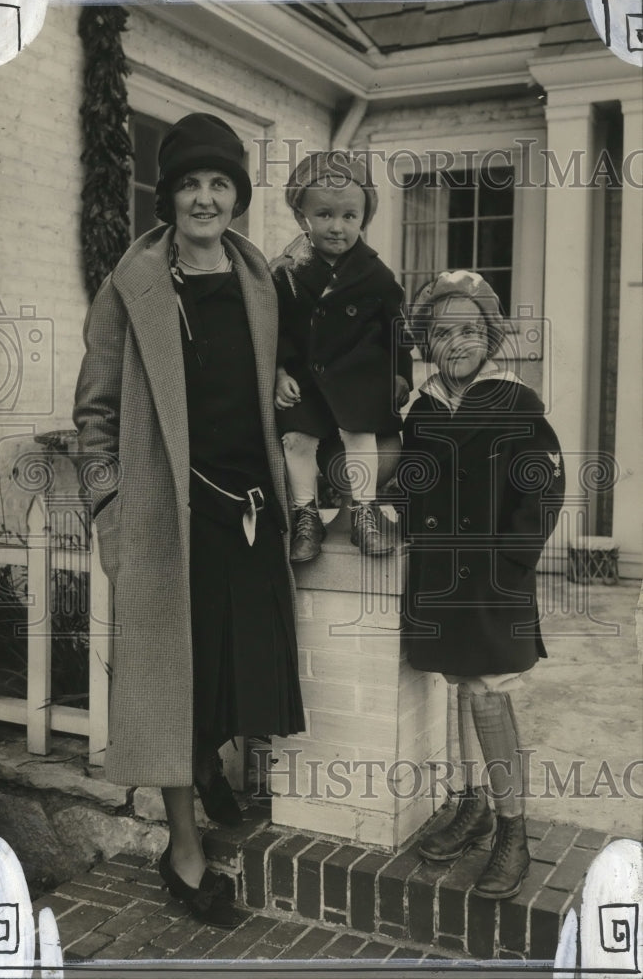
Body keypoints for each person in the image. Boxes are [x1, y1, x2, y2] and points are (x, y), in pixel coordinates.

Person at [73, 113, 305, 928]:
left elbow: (294, 378)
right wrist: (108, 508)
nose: (204, 197)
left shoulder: (258, 281)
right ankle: (182, 849)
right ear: (167, 196)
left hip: (247, 512)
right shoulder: (128, 287)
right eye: (188, 184)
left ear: (236, 196)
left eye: (219, 184)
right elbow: (94, 413)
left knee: (236, 672)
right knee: (172, 688)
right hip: (167, 520)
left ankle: (210, 759)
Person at [400, 270, 565, 900]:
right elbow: (414, 483)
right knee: (458, 685)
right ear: (427, 343)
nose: (458, 341)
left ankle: (511, 830)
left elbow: (544, 487)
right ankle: (468, 807)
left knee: (490, 693)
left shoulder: (516, 402)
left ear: (491, 334)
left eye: (470, 329)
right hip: (441, 581)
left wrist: (514, 562)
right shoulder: (421, 410)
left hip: (495, 579)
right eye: (442, 332)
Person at [271, 151, 414, 561]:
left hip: (358, 375)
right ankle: (306, 514)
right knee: (296, 437)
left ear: (363, 218)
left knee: (361, 433)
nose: (338, 227)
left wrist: (401, 375)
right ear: (303, 217)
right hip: (307, 379)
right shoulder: (284, 272)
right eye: (325, 215)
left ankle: (365, 511)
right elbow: (273, 327)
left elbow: (395, 327)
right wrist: (279, 371)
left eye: (350, 216)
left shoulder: (376, 274)